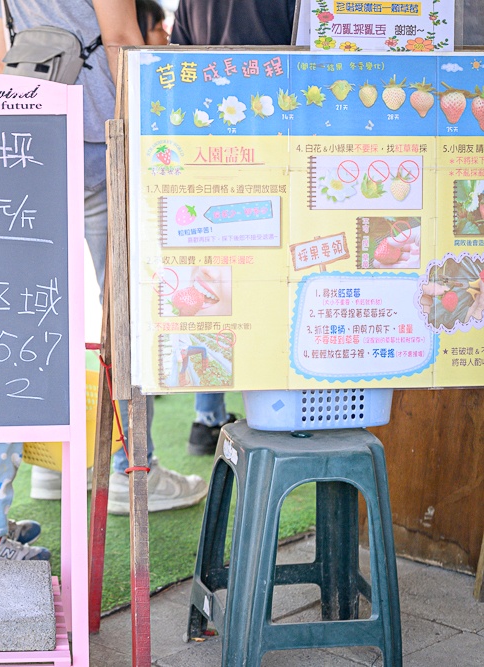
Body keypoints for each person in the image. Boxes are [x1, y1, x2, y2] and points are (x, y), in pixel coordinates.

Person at [0, 0, 208, 517]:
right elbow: (120, 39)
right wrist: (144, 138)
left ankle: (52, 466)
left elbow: (6, 51)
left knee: (47, 315)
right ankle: (135, 467)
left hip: (34, 145)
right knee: (127, 315)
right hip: (97, 146)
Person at [171, 0, 296, 456]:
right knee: (267, 279)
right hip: (272, 139)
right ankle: (277, 411)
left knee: (213, 280)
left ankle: (207, 418)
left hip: (207, 145)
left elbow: (176, 59)